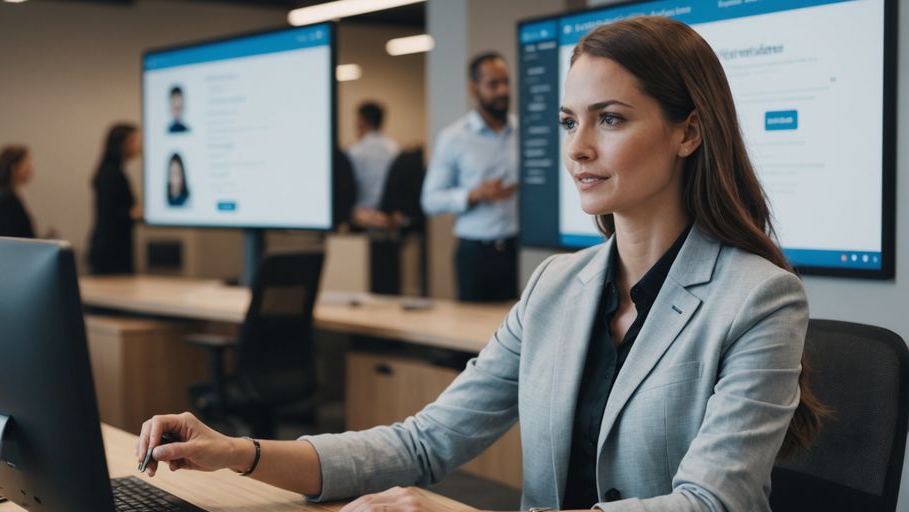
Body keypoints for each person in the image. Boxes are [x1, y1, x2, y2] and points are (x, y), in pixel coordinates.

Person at [134, 17, 825, 512]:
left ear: (689, 131)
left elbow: (710, 502)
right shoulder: (558, 285)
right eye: (567, 121)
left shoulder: (759, 298)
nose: (578, 147)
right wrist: (240, 454)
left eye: (609, 119)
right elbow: (425, 441)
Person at [421, 51, 519, 302]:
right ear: (473, 88)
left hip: (515, 249)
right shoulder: (454, 137)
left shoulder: (523, 130)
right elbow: (430, 200)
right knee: (472, 333)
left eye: (506, 81)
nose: (503, 90)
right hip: (475, 254)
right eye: (493, 84)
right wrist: (473, 195)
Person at [87, 123, 142, 275]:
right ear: (123, 143)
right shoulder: (110, 173)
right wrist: (133, 214)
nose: (139, 146)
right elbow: (110, 213)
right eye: (135, 140)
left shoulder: (112, 171)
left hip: (112, 248)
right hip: (111, 251)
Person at [347, 101, 401, 230]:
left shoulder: (355, 151)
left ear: (361, 120)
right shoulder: (395, 149)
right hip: (389, 218)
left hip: (362, 218)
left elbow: (350, 187)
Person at [0, 145, 36, 238]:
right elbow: (15, 237)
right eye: (26, 165)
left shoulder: (6, 197)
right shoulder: (7, 200)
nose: (30, 169)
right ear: (13, 168)